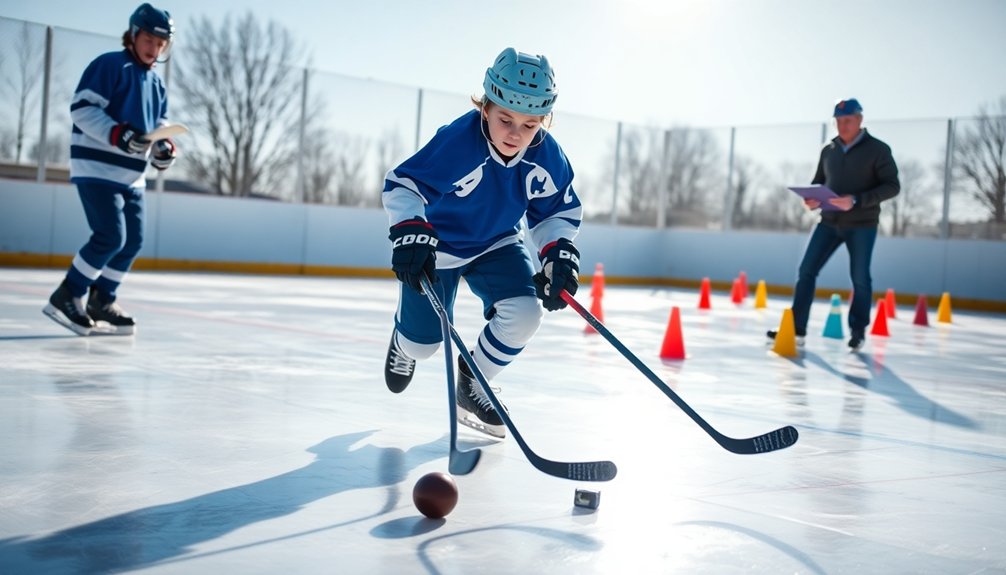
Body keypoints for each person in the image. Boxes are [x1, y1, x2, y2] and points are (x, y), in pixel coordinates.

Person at [381, 47, 582, 438]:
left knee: (526, 314)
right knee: (423, 347)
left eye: (529, 124)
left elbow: (556, 211)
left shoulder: (546, 155)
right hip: (438, 249)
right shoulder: (458, 142)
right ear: (485, 107)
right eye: (505, 119)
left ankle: (474, 383)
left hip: (497, 243)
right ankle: (404, 343)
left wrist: (557, 253)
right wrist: (409, 228)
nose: (515, 134)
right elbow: (403, 184)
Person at [42, 3, 178, 336]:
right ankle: (68, 294)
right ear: (133, 34)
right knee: (110, 237)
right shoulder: (110, 65)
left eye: (161, 44)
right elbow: (82, 109)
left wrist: (163, 148)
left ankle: (102, 300)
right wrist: (117, 133)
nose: (154, 49)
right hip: (97, 169)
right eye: (149, 40)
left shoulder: (156, 84)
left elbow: (159, 125)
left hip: (132, 177)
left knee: (132, 242)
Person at [768, 98, 900, 351]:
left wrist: (856, 200)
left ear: (859, 120)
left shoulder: (878, 150)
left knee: (860, 277)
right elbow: (818, 181)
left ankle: (858, 332)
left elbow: (892, 186)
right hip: (828, 222)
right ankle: (796, 329)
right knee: (806, 271)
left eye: (847, 120)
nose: (842, 125)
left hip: (862, 224)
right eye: (838, 121)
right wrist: (811, 199)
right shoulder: (828, 150)